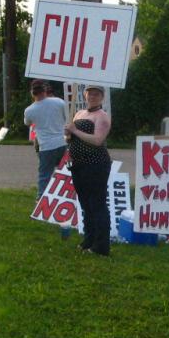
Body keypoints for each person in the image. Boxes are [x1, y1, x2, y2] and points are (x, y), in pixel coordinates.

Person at [64, 85, 112, 256]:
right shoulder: (79, 114)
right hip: (78, 164)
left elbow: (98, 140)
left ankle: (101, 246)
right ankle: (89, 239)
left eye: (96, 94)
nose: (92, 96)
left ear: (102, 97)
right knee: (85, 205)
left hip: (96, 165)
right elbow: (71, 137)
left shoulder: (102, 117)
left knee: (97, 204)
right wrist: (69, 134)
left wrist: (75, 130)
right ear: (85, 95)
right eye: (90, 93)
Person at [24, 80, 68, 199]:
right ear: (45, 90)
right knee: (67, 172)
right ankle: (66, 196)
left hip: (46, 146)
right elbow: (66, 118)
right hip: (62, 143)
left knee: (45, 175)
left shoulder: (29, 110)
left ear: (32, 93)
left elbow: (28, 123)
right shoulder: (59, 102)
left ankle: (42, 200)